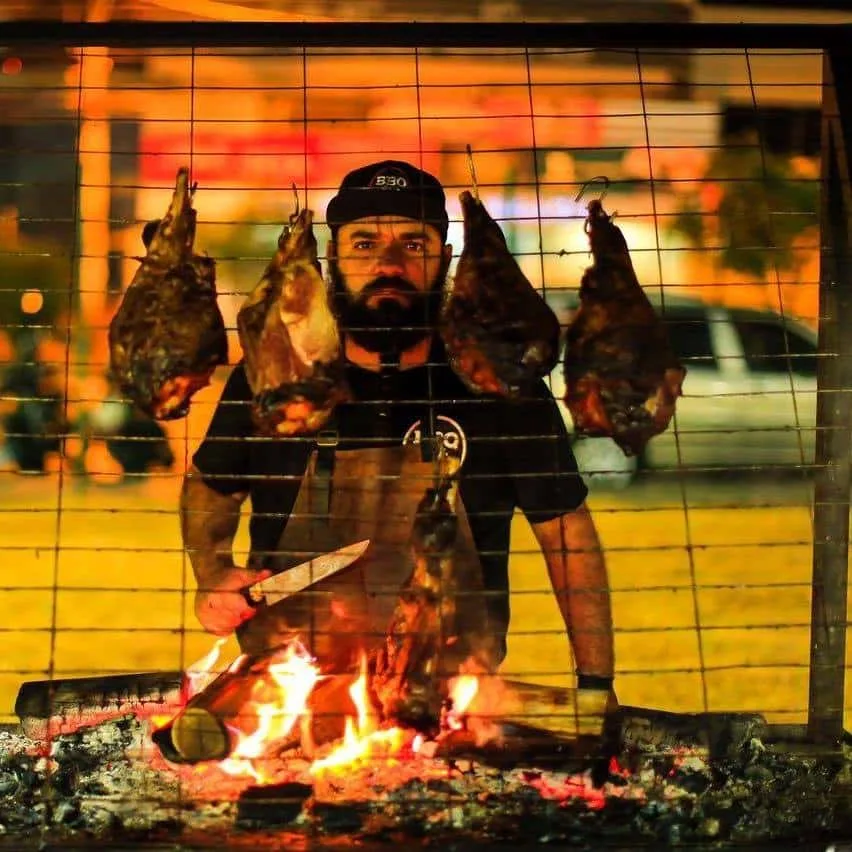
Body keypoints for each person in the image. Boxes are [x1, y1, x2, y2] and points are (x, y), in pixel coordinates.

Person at [180, 160, 616, 734]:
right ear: (332, 258)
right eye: (364, 243)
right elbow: (210, 485)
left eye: (415, 242)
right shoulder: (276, 376)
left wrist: (595, 686)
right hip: (287, 706)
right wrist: (213, 573)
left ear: (445, 259)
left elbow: (567, 535)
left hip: (447, 711)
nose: (389, 264)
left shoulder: (498, 385)